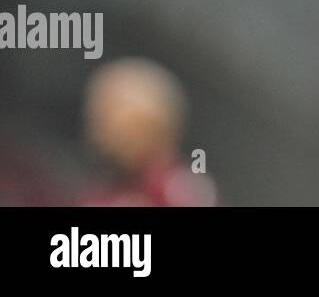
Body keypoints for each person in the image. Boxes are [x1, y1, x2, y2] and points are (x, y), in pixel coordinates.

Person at [80, 57, 218, 206]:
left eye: (110, 115)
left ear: (152, 125)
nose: (99, 131)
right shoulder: (103, 192)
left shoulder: (179, 190)